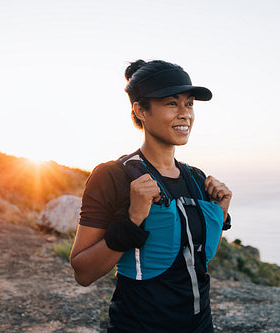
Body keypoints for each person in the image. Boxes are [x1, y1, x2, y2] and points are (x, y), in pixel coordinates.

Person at [70, 59, 232, 333]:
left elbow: (196, 260)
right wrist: (132, 219)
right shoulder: (113, 176)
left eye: (189, 104)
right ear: (140, 110)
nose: (185, 114)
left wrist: (220, 211)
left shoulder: (195, 178)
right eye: (172, 103)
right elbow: (83, 272)